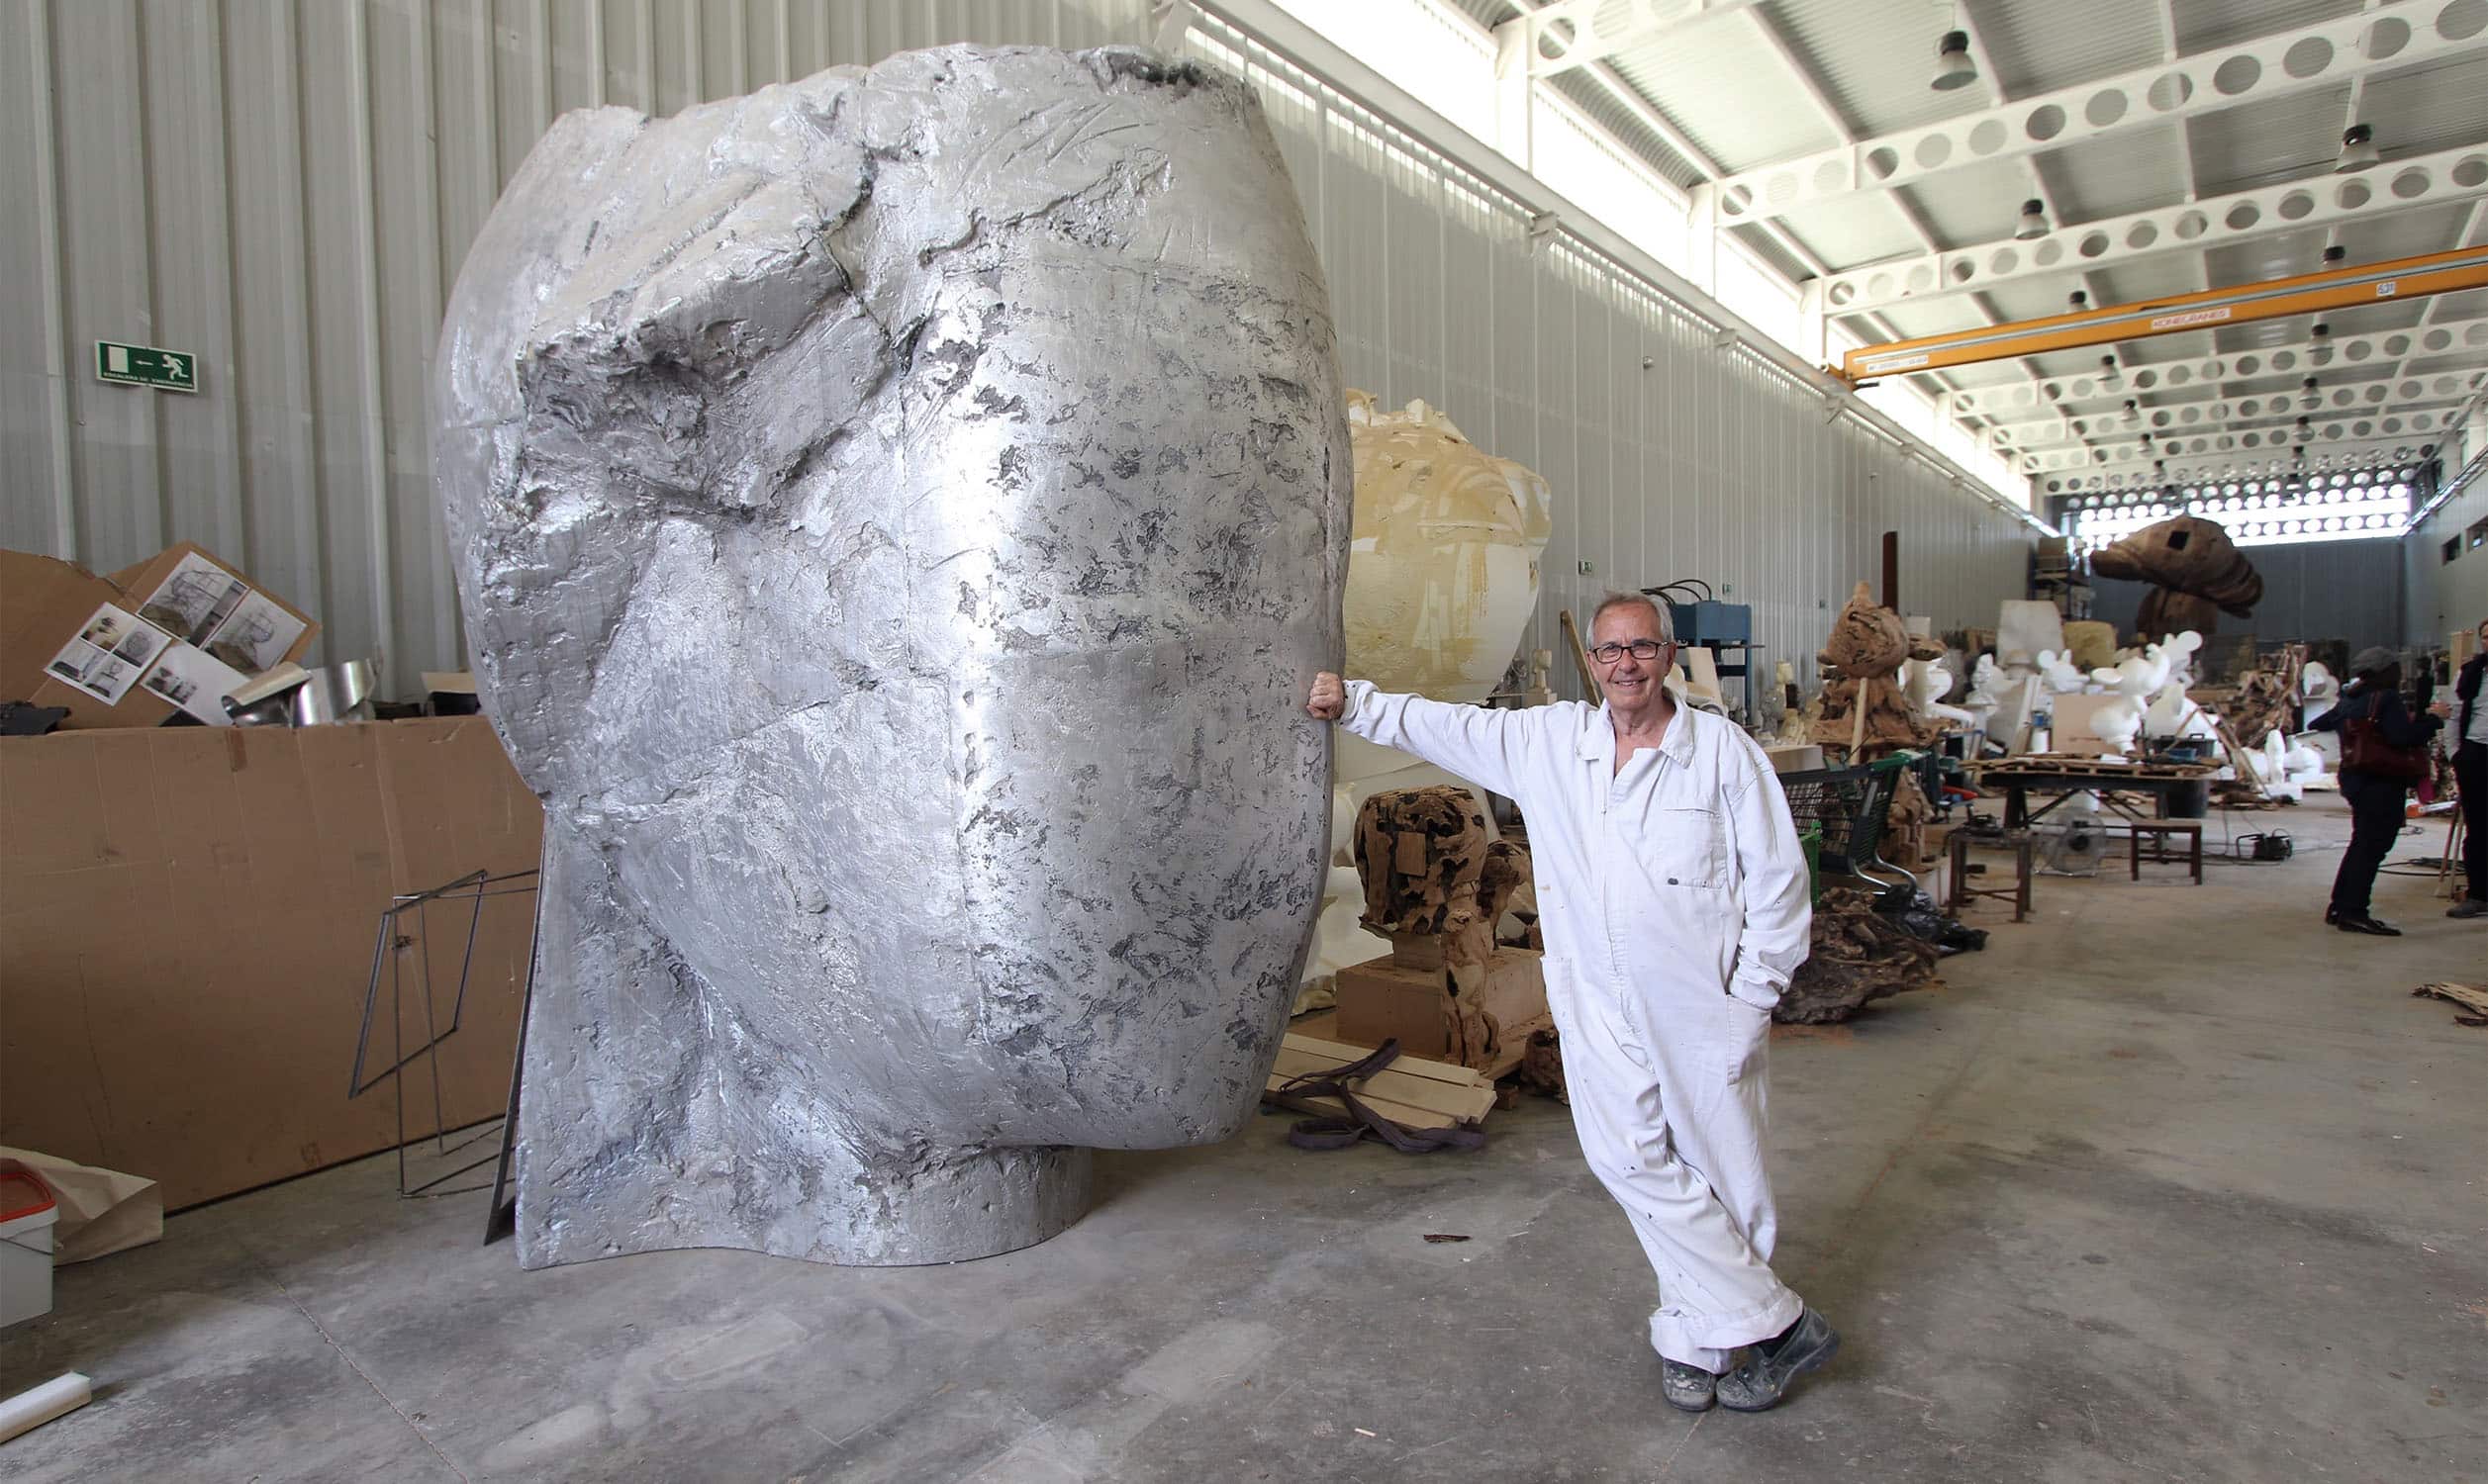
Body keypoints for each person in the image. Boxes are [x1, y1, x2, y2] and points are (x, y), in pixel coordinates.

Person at [1304, 593, 1834, 1415]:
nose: (1626, 664)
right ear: (1591, 661)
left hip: (1700, 996)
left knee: (1725, 1170)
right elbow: (1444, 727)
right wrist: (1357, 702)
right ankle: (1776, 1325)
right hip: (1592, 993)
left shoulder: (1722, 754)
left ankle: (1703, 1339)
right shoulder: (1550, 742)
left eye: (1643, 648)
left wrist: (1753, 996)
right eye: (1610, 650)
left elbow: (1778, 884)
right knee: (1627, 1157)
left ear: (1667, 654)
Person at [2308, 646, 2447, 935]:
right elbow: (2402, 737)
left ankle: (2339, 906)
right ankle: (2355, 911)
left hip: (2355, 778)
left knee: (2361, 843)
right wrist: (2434, 719)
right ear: (2388, 671)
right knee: (2373, 847)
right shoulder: (2387, 699)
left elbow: (2317, 723)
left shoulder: (2351, 697)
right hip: (2381, 780)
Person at [2451, 620, 2488, 920]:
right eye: (2487, 637)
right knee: (2478, 828)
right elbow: (2453, 715)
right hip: (2476, 754)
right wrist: (2456, 755)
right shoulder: (2470, 674)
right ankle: (2479, 895)